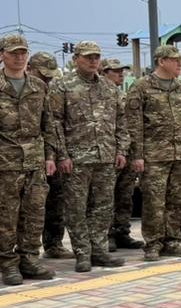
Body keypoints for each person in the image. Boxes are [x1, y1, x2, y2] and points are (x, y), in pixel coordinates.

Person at [48, 41, 128, 273]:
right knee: (76, 209)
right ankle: (83, 253)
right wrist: (62, 155)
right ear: (76, 59)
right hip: (76, 159)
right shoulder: (62, 86)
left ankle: (100, 251)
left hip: (105, 157)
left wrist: (121, 150)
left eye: (96, 57)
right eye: (88, 57)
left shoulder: (109, 87)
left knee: (103, 207)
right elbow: (55, 123)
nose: (93, 61)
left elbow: (120, 121)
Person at [126, 44, 181, 261]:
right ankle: (153, 243)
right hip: (154, 156)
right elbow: (134, 124)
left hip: (180, 155)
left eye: (179, 59)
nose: (179, 63)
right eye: (175, 59)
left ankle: (172, 239)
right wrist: (137, 155)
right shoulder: (141, 87)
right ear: (161, 61)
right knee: (154, 202)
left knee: (179, 200)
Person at [0, 34, 55, 285]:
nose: (19, 57)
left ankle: (29, 259)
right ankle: (8, 264)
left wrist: (50, 156)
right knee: (6, 217)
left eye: (23, 52)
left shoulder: (38, 86)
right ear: (3, 55)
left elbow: (48, 124)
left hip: (35, 161)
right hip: (5, 163)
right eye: (13, 53)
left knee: (34, 214)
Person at [28, 51, 71, 259]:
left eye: (50, 76)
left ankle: (53, 244)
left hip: (49, 155)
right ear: (30, 68)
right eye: (43, 75)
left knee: (56, 200)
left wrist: (57, 155)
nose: (48, 80)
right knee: (26, 208)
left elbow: (54, 127)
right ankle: (24, 252)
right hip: (20, 160)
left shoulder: (52, 92)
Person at [102, 58, 144, 251]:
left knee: (125, 196)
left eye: (122, 71)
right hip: (107, 154)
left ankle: (122, 232)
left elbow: (132, 127)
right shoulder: (100, 96)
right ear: (104, 72)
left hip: (125, 153)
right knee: (106, 197)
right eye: (115, 71)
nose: (121, 74)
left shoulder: (123, 95)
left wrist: (133, 153)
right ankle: (107, 235)